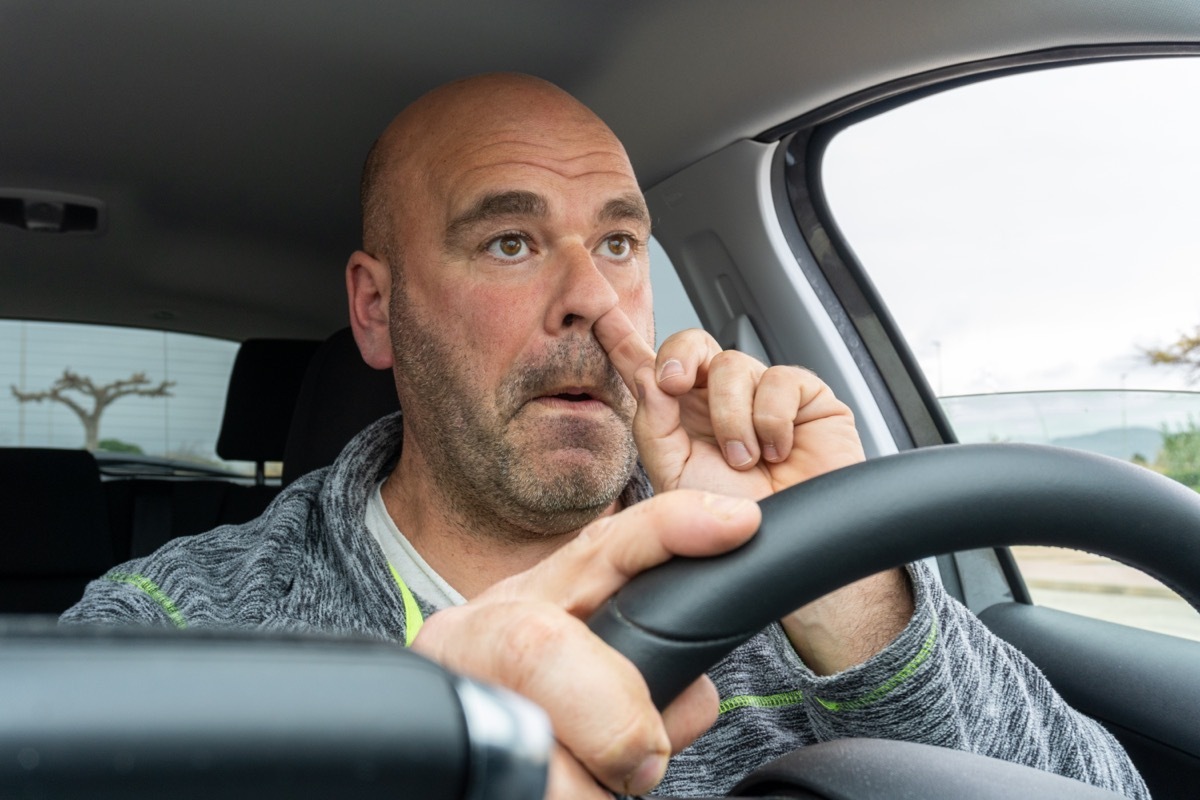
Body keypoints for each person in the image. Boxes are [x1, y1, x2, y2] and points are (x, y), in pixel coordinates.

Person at [63, 73, 1147, 799]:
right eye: (508, 240)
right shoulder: (175, 623)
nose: (594, 296)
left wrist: (848, 588)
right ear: (378, 310)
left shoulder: (778, 577)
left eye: (620, 240)